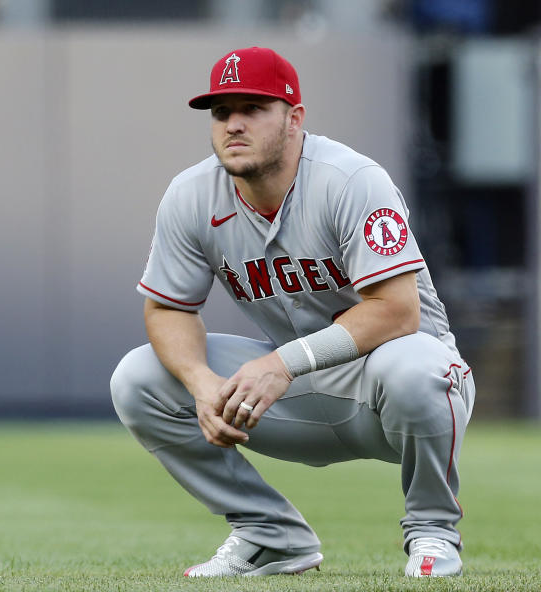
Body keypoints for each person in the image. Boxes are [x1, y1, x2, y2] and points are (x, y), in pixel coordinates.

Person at [110, 46, 475, 578]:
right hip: (296, 393)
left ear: (295, 118)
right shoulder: (192, 195)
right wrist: (200, 383)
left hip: (391, 386)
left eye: (253, 108)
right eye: (221, 112)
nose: (233, 124)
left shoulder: (349, 180)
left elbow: (397, 313)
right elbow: (167, 310)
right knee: (138, 377)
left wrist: (281, 364)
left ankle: (433, 533)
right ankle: (270, 536)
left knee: (416, 366)